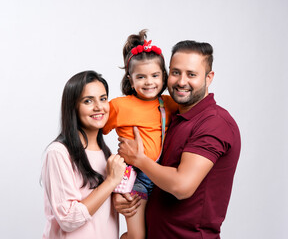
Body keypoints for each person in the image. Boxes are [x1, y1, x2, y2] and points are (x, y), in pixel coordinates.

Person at [115, 41, 241, 238]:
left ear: (209, 78)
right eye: (175, 72)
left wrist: (139, 159)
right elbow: (155, 176)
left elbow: (181, 186)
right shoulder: (172, 116)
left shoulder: (214, 123)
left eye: (191, 74)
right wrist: (127, 196)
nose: (182, 81)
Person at [103, 30, 178, 239]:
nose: (149, 82)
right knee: (138, 237)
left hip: (161, 176)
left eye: (155, 76)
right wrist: (111, 166)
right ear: (130, 79)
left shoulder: (169, 104)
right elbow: (95, 129)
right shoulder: (119, 106)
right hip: (135, 179)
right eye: (141, 77)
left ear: (163, 76)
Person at [41, 70, 127, 239]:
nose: (99, 107)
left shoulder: (106, 153)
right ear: (73, 107)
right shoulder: (59, 153)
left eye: (103, 98)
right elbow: (68, 218)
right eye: (88, 101)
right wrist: (110, 181)